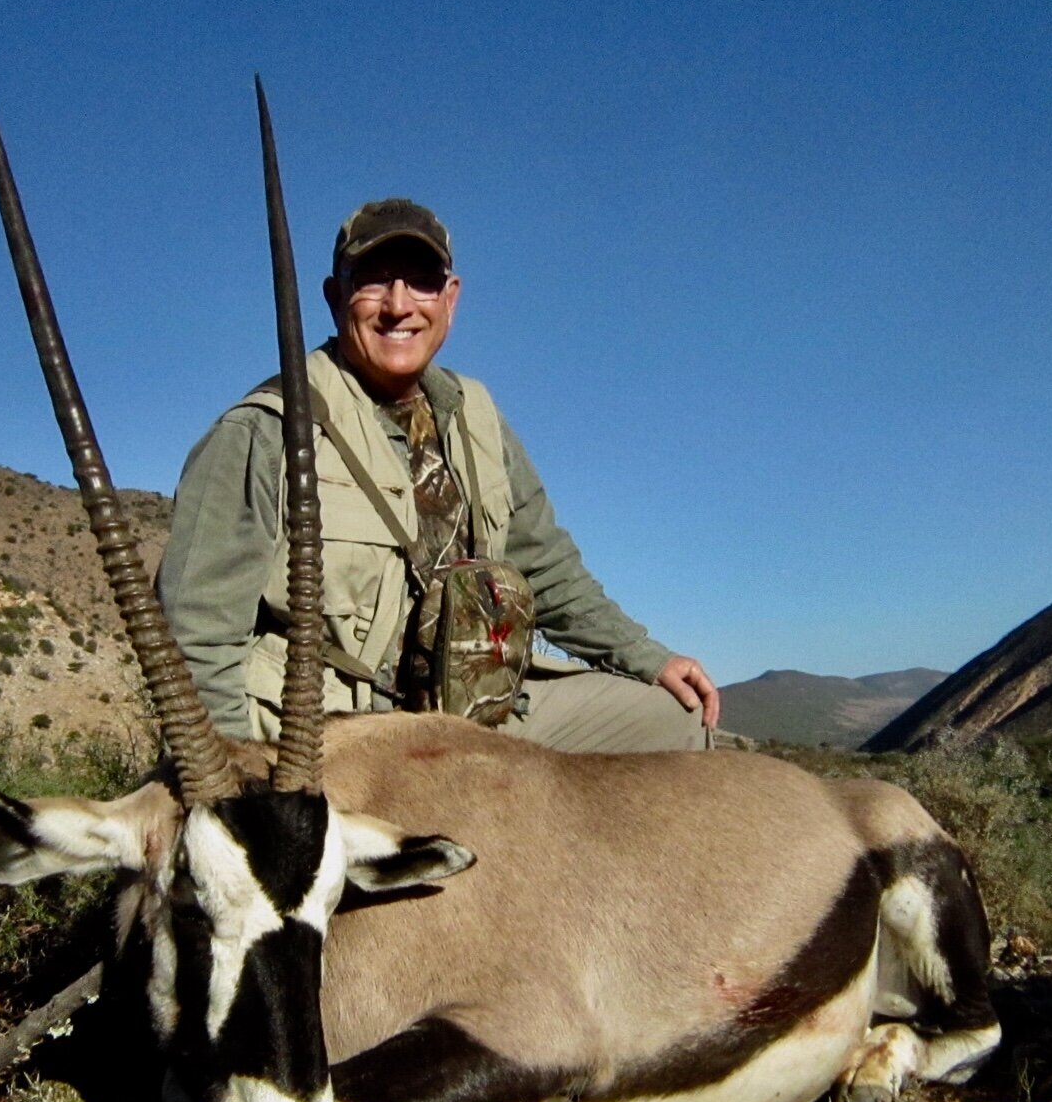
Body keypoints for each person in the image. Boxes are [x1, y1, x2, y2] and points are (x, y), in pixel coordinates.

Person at [157, 198, 718, 752]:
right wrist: (238, 789)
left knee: (677, 718)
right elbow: (195, 638)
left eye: (421, 281)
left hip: (476, 717)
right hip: (337, 741)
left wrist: (646, 656)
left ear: (450, 300)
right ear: (334, 299)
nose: (398, 305)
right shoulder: (261, 430)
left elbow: (548, 572)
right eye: (372, 281)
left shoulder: (478, 416)